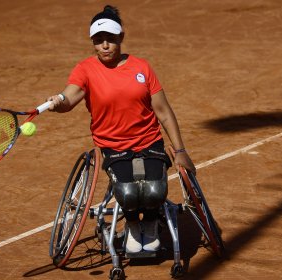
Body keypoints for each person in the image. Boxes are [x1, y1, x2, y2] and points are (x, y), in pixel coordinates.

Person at [47, 5, 196, 253]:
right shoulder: (85, 69)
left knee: (154, 191)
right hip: (113, 146)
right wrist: (58, 101)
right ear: (93, 42)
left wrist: (180, 150)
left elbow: (164, 111)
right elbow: (69, 97)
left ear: (121, 38)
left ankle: (149, 224)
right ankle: (132, 226)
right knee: (128, 193)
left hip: (149, 141)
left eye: (111, 39)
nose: (105, 45)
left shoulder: (142, 67)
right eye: (99, 40)